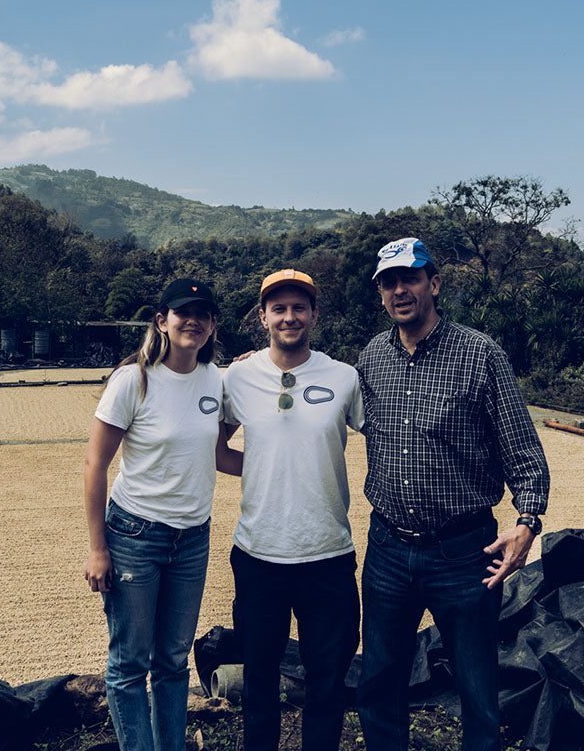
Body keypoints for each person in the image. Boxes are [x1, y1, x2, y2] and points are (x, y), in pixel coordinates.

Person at [355, 237, 550, 751]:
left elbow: (523, 450)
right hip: (388, 549)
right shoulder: (372, 358)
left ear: (433, 284)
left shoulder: (480, 354)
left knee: (477, 687)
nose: (400, 290)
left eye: (411, 278)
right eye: (389, 281)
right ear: (381, 293)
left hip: (465, 552)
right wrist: (262, 365)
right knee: (379, 681)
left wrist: (527, 522)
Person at [83, 278, 241, 751]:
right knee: (130, 664)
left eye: (204, 314)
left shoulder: (217, 380)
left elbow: (219, 453)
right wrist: (97, 548)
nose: (192, 320)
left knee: (172, 662)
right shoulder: (133, 380)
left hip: (191, 540)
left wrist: (283, 467)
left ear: (213, 325)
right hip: (135, 534)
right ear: (162, 321)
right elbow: (95, 464)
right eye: (182, 312)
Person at [221, 269, 364, 751]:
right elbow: (214, 449)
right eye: (278, 308)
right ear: (262, 316)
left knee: (327, 680)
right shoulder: (237, 376)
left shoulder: (345, 378)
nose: (289, 316)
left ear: (314, 315)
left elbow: (391, 440)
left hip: (327, 554)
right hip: (259, 554)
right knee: (260, 679)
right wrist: (267, 469)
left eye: (299, 307)